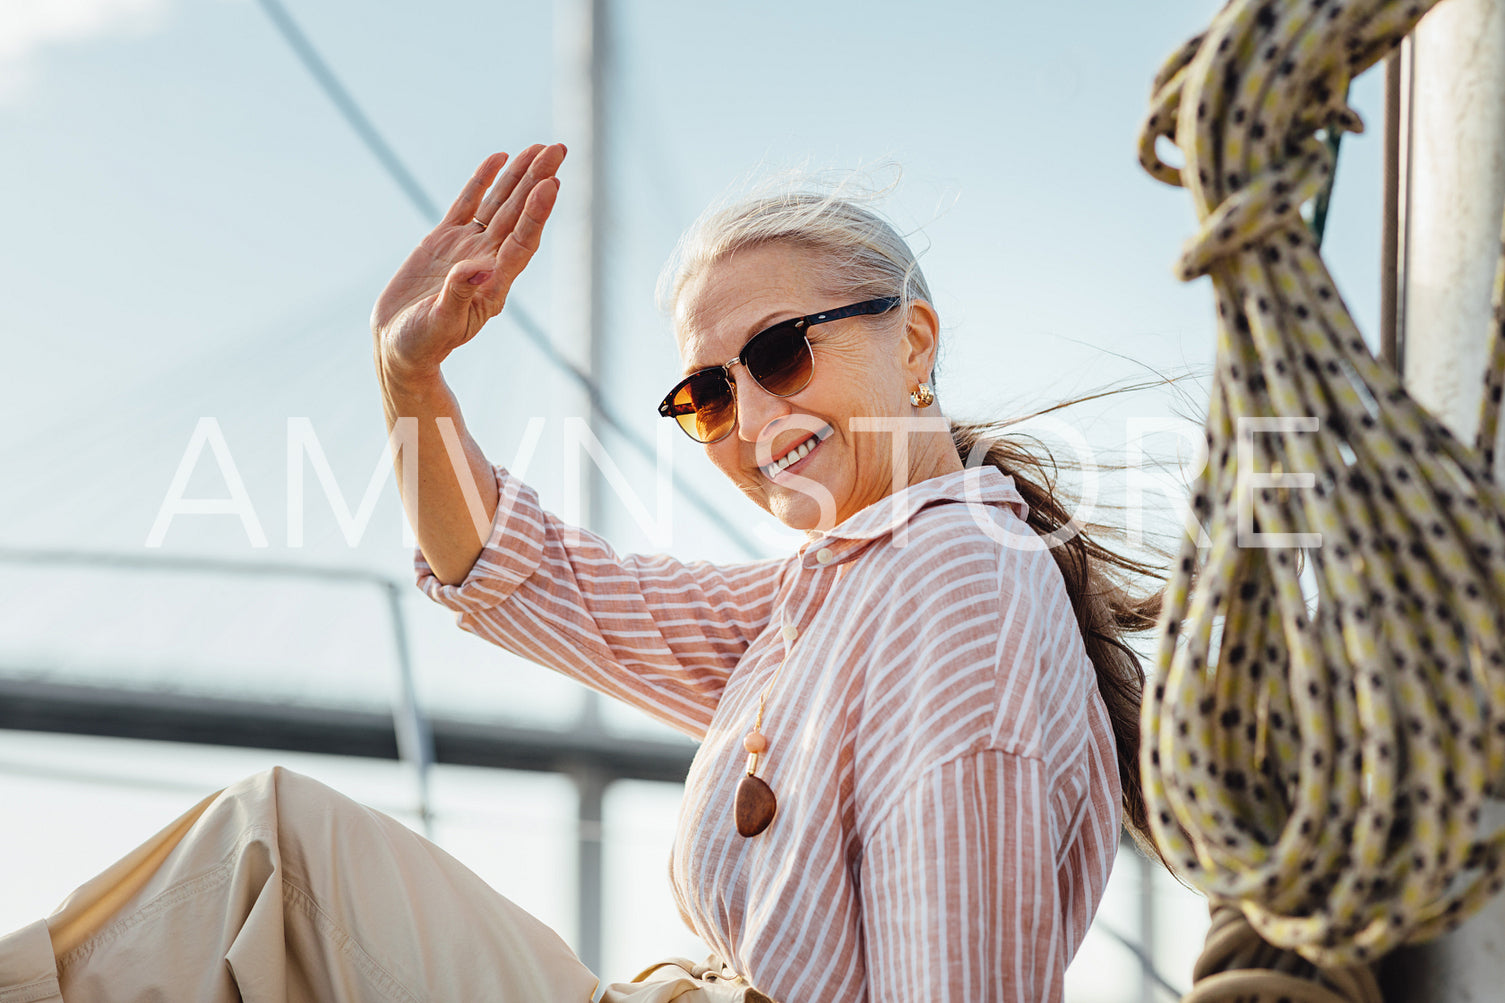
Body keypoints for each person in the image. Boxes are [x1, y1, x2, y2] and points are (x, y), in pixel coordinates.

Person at [0, 143, 1162, 1002]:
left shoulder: (956, 586)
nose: (750, 416)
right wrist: (410, 379)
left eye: (776, 351)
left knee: (270, 862)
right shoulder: (836, 594)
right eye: (706, 394)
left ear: (910, 342)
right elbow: (528, 577)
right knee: (265, 865)